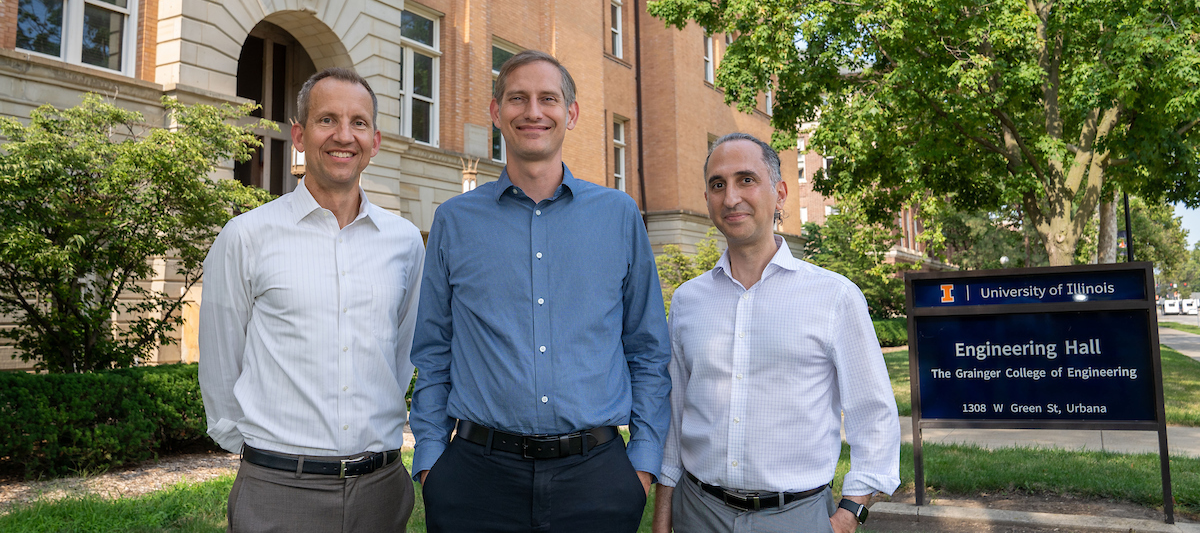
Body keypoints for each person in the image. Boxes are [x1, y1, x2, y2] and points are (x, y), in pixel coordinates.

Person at [410, 50, 671, 533]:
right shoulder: (454, 220)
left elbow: (648, 349)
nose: (533, 111)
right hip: (474, 481)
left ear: (570, 113)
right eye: (517, 98)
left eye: (548, 98)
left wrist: (641, 467)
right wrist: (431, 464)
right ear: (496, 112)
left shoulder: (618, 216)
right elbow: (433, 349)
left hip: (598, 479)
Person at [199, 67, 424, 533]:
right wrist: (260, 453)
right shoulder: (247, 236)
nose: (344, 136)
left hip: (380, 491)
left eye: (358, 123)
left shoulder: (404, 242)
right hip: (278, 491)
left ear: (375, 141)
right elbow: (221, 360)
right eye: (328, 120)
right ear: (300, 134)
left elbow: (401, 354)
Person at [652, 133, 900, 533]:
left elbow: (874, 415)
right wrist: (663, 520)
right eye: (718, 184)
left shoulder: (834, 297)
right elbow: (674, 419)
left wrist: (849, 514)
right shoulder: (686, 301)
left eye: (746, 180)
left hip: (797, 518)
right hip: (698, 513)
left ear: (780, 193)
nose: (731, 197)